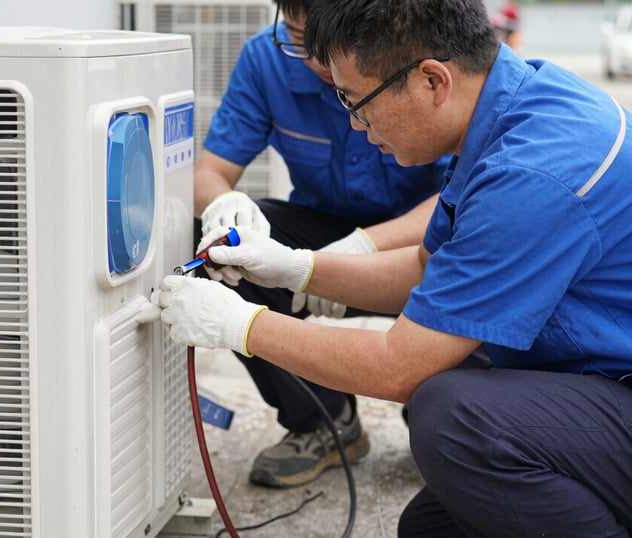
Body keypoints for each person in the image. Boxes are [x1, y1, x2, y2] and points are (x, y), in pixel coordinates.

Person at [146, 0, 632, 534]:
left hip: (616, 389)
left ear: (432, 81)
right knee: (427, 527)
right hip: (590, 374)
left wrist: (240, 326)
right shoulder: (513, 104)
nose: (356, 124)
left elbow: (401, 366)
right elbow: (430, 268)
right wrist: (297, 267)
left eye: (358, 102)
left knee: (454, 419)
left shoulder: (532, 173)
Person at [192, 0, 450, 488]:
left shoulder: (416, 55)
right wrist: (225, 204)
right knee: (219, 243)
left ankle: (438, 406)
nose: (315, 60)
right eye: (298, 37)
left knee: (446, 419)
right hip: (319, 224)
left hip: (422, 239)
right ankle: (324, 423)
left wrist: (366, 246)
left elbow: (464, 201)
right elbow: (209, 171)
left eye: (331, 41)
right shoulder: (264, 60)